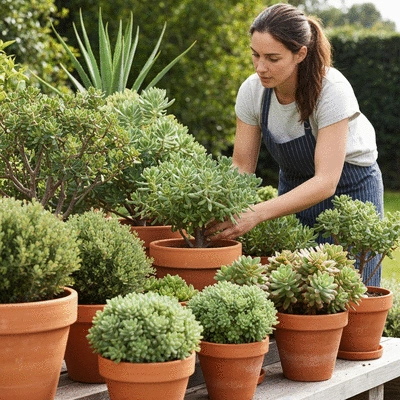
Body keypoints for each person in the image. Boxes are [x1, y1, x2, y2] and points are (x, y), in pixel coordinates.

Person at [205, 3, 384, 286]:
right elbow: (241, 165)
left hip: (350, 191)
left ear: (300, 53)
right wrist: (218, 208)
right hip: (293, 190)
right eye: (255, 55)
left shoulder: (332, 89)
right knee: (295, 292)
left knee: (352, 294)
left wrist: (256, 214)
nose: (260, 67)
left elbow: (326, 181)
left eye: (273, 58)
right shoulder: (253, 92)